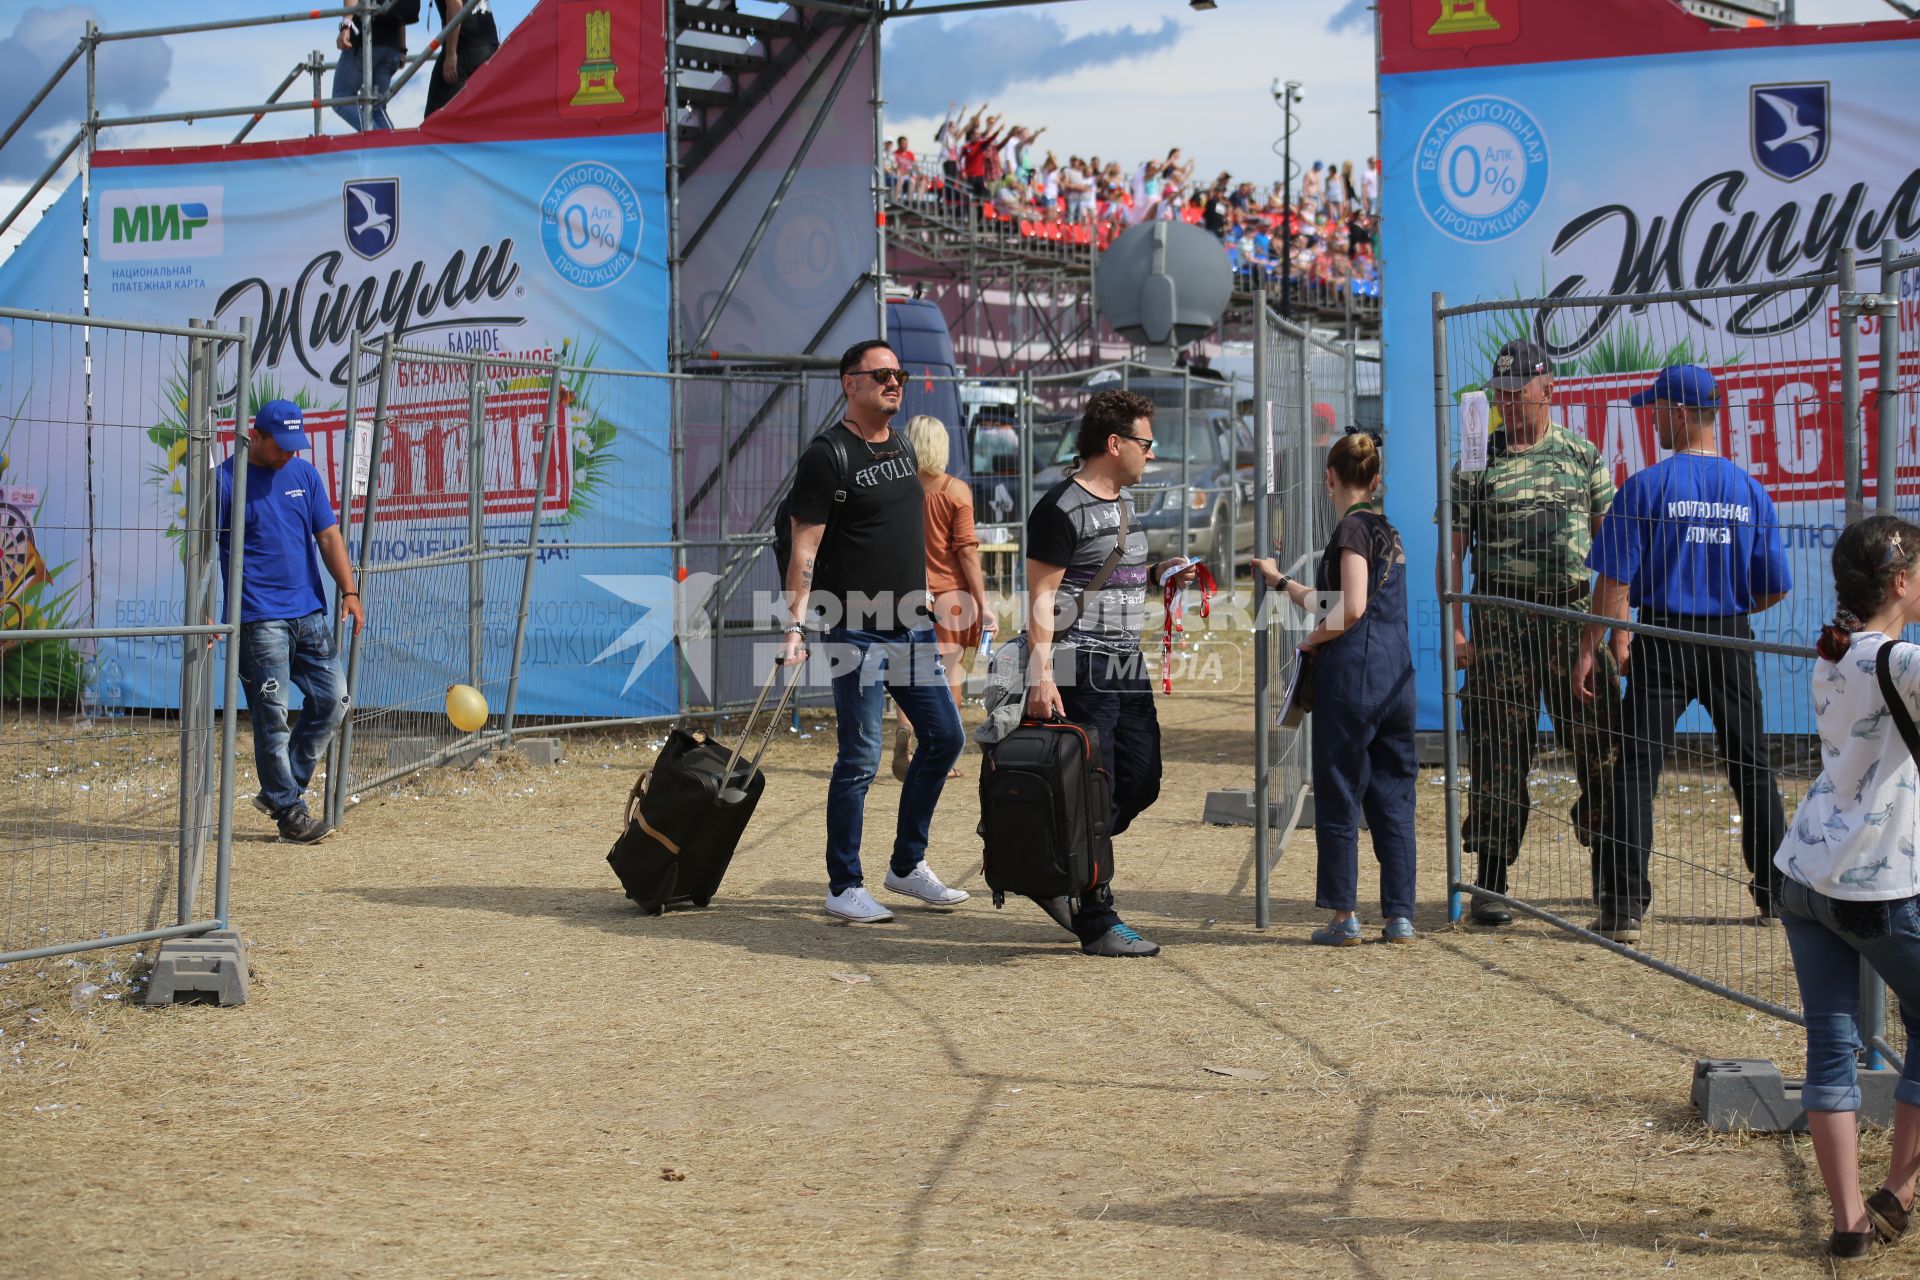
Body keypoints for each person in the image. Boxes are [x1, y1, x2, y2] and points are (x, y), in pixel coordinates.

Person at [1576, 365, 1790, 942]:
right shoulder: (1750, 491)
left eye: (1655, 411)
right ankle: (1777, 896)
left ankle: (1623, 908)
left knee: (1638, 771)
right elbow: (1774, 586)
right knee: (1752, 767)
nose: (1652, 421)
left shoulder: (1647, 486)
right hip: (1729, 635)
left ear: (1677, 411)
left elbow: (1615, 584)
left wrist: (1592, 646)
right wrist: (1727, 604)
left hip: (1664, 637)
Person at [1771, 515, 1920, 1260]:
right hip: (1877, 881)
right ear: (1900, 583)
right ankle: (1899, 1190)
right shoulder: (1898, 661)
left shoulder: (1835, 653)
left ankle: (1849, 1221)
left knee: (1830, 1046)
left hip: (1805, 869)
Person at [781, 340, 969, 924]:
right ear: (849, 383)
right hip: (853, 632)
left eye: (900, 374)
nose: (895, 382)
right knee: (860, 756)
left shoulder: (904, 445)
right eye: (882, 374)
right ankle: (844, 884)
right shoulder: (827, 455)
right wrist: (795, 626)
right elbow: (802, 547)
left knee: (945, 738)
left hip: (911, 628)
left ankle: (907, 866)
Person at [1446, 339, 1621, 925]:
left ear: (1548, 389)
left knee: (1599, 744)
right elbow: (1455, 551)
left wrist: (1610, 632)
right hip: (1499, 621)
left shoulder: (1582, 455)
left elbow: (1612, 550)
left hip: (1572, 619)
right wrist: (1455, 627)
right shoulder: (1477, 459)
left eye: (1518, 395)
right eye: (1500, 396)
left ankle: (1608, 870)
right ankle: (1492, 882)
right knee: (1499, 749)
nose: (1508, 405)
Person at [1023, 389, 1200, 958]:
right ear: (1114, 442)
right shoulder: (1058, 508)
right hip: (1083, 664)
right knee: (1095, 792)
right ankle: (1096, 916)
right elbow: (1041, 599)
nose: (1152, 453)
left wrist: (1156, 572)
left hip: (1127, 662)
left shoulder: (1122, 504)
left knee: (1142, 780)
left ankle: (1053, 855)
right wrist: (1041, 676)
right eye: (1146, 443)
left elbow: (1109, 570)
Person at [1254, 432, 1417, 945]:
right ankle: (1399, 915)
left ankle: (1344, 915)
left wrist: (1309, 643)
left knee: (1341, 789)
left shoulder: (1350, 530)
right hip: (1398, 675)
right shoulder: (1388, 532)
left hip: (1353, 677)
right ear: (1375, 479)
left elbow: (1348, 608)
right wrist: (1281, 582)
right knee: (1393, 795)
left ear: (1330, 477)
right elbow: (1345, 598)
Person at [217, 401, 364, 844]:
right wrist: (206, 607)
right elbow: (203, 551)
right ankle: (288, 812)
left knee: (334, 700)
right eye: (282, 447)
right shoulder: (225, 481)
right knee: (272, 715)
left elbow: (328, 535)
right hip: (258, 618)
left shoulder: (304, 475)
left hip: (310, 612)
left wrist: (350, 590)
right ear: (255, 435)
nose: (290, 456)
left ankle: (283, 788)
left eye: (295, 447)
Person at [892, 415, 991, 783]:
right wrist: (982, 602)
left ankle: (906, 732)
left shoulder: (899, 489)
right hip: (950, 595)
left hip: (905, 592)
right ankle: (942, 753)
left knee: (908, 671)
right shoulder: (956, 491)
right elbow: (966, 551)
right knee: (949, 673)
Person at [332, 0, 410, 132]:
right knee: (377, 107)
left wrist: (346, 26)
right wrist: (402, 48)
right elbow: (399, 12)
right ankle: (392, 146)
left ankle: (378, 141)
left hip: (365, 41)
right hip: (392, 47)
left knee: (341, 99)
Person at [425, 0, 500, 119]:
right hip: (488, 46)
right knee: (478, 117)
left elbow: (455, 4)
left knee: (437, 117)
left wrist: (451, 53)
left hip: (463, 46)